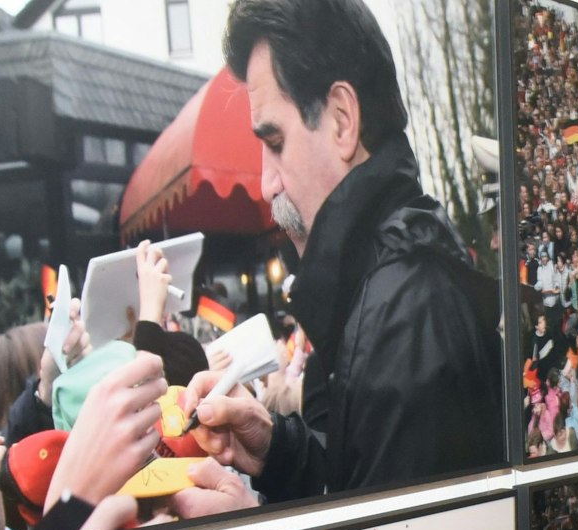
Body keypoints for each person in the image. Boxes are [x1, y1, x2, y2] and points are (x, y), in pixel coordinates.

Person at [187, 0, 504, 499]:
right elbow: (357, 476)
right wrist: (278, 450)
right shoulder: (381, 287)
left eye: (274, 143)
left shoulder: (404, 311)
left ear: (341, 120)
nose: (266, 184)